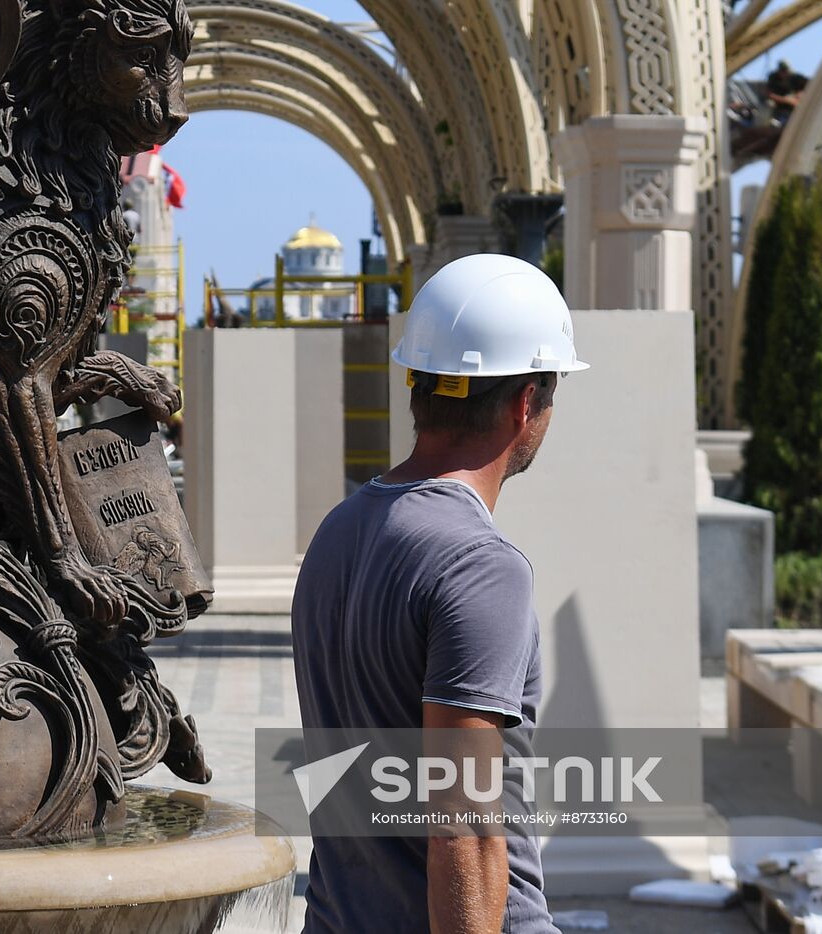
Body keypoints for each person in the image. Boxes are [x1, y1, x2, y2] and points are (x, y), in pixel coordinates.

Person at [292, 254, 589, 933]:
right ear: (524, 404)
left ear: (417, 388)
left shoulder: (338, 533)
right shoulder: (482, 567)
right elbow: (466, 828)